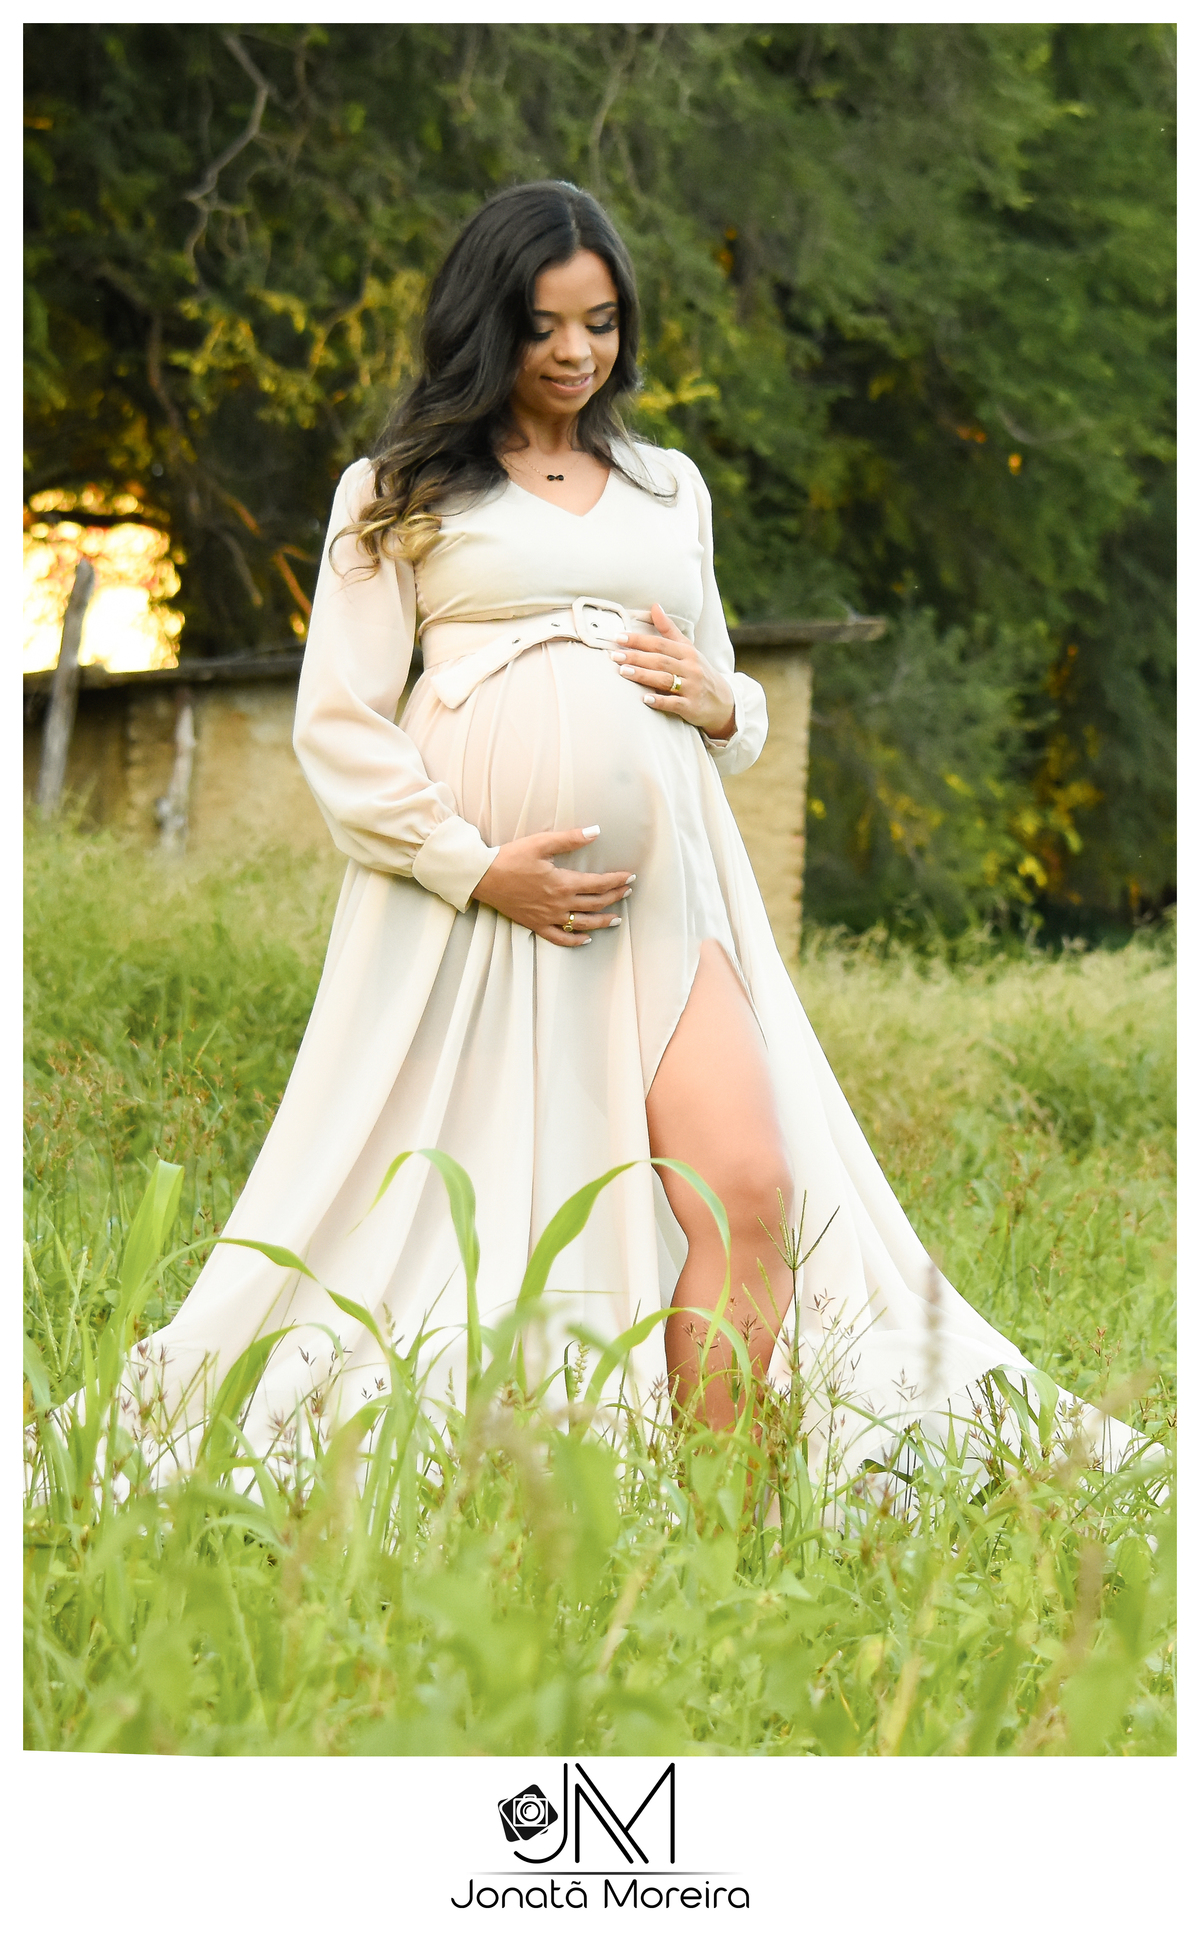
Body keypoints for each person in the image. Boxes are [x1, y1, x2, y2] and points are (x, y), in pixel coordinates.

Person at [128, 180, 1132, 1483]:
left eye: (600, 323)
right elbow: (339, 722)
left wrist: (726, 701)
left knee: (750, 1186)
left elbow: (723, 693)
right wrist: (473, 865)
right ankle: (530, 1471)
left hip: (665, 904)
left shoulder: (668, 487)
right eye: (545, 324)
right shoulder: (396, 490)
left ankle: (718, 1507)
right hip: (477, 916)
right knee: (491, 1212)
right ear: (488, 323)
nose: (576, 352)